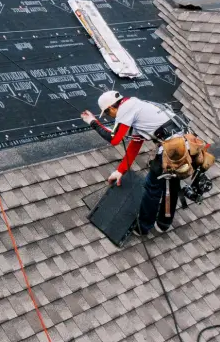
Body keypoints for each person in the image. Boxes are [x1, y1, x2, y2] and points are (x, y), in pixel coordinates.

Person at [81, 91, 188, 236]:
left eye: (108, 114)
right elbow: (135, 145)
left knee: (152, 187)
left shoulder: (125, 109)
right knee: (171, 183)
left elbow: (115, 139)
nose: (111, 117)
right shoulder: (136, 105)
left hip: (171, 148)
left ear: (111, 108)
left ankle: (143, 226)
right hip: (183, 145)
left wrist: (93, 122)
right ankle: (164, 223)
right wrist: (120, 171)